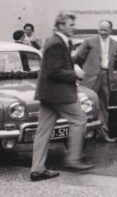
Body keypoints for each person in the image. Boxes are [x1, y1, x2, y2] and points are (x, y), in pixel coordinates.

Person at [30, 13, 94, 181]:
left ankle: (37, 169)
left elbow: (60, 64)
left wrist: (77, 60)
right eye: (70, 24)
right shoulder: (56, 43)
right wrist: (75, 74)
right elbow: (54, 71)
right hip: (59, 94)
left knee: (43, 131)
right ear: (60, 25)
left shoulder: (61, 42)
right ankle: (73, 160)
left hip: (48, 94)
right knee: (79, 119)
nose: (74, 27)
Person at [73, 20, 117, 143]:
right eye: (101, 29)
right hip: (90, 78)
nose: (103, 32)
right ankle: (81, 136)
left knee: (104, 106)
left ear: (111, 30)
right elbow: (77, 58)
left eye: (106, 30)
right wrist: (80, 73)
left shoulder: (116, 44)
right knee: (85, 105)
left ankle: (104, 134)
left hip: (106, 77)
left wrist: (115, 69)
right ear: (97, 29)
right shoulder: (89, 41)